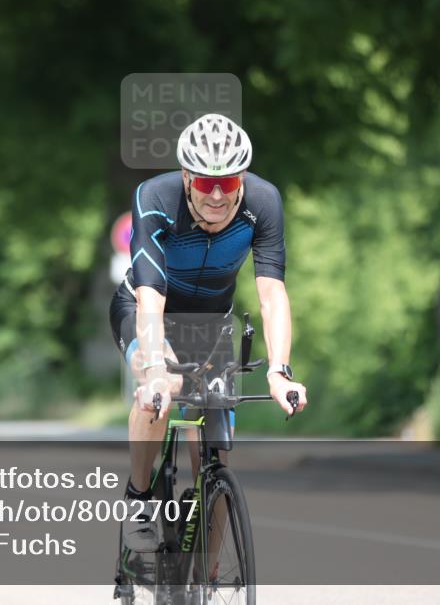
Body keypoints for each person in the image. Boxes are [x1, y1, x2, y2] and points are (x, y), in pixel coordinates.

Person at [109, 113, 308, 552]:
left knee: (216, 451)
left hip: (211, 324)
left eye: (229, 182)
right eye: (204, 183)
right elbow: (149, 298)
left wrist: (279, 371)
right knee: (155, 388)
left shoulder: (264, 202)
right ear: (185, 178)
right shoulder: (154, 197)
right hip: (147, 310)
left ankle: (209, 573)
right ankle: (140, 497)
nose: (217, 194)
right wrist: (157, 370)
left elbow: (272, 292)